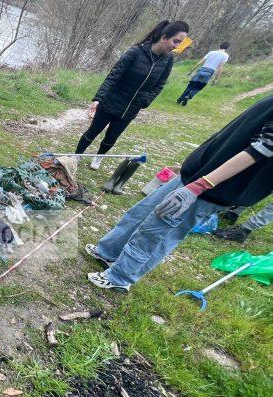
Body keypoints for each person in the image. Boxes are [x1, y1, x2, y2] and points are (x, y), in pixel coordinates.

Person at [84, 95, 273, 292]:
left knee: (156, 233)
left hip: (211, 188)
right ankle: (108, 252)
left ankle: (120, 277)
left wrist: (201, 184)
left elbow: (261, 150)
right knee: (139, 214)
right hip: (196, 175)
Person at [74, 21, 188, 194]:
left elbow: (160, 84)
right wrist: (98, 98)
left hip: (131, 109)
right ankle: (77, 156)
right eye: (176, 41)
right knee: (92, 132)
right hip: (111, 101)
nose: (177, 46)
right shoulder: (136, 52)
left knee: (111, 137)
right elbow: (114, 75)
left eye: (180, 43)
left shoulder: (168, 60)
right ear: (164, 38)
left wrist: (146, 100)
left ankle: (99, 156)